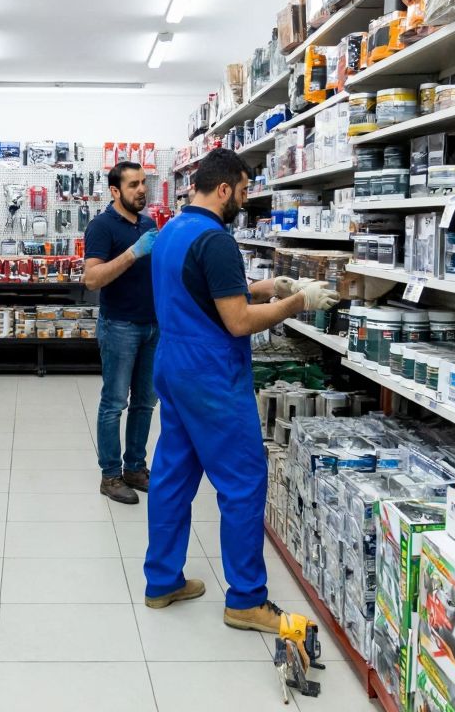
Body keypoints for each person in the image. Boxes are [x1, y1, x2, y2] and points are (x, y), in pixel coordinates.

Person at [142, 148, 338, 632]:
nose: (246, 201)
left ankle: (162, 581)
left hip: (174, 365)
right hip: (212, 375)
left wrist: (263, 287)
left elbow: (199, 291)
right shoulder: (216, 240)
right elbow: (236, 322)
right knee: (244, 481)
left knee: (172, 475)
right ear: (224, 188)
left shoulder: (170, 232)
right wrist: (297, 302)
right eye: (245, 191)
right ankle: (246, 599)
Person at [83, 160, 160, 504]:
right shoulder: (101, 227)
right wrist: (133, 252)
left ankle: (135, 468)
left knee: (145, 403)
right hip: (119, 327)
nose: (142, 189)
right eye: (133, 185)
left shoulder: (149, 223)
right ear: (115, 191)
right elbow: (92, 279)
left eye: (143, 183)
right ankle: (110, 476)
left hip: (153, 326)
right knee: (114, 403)